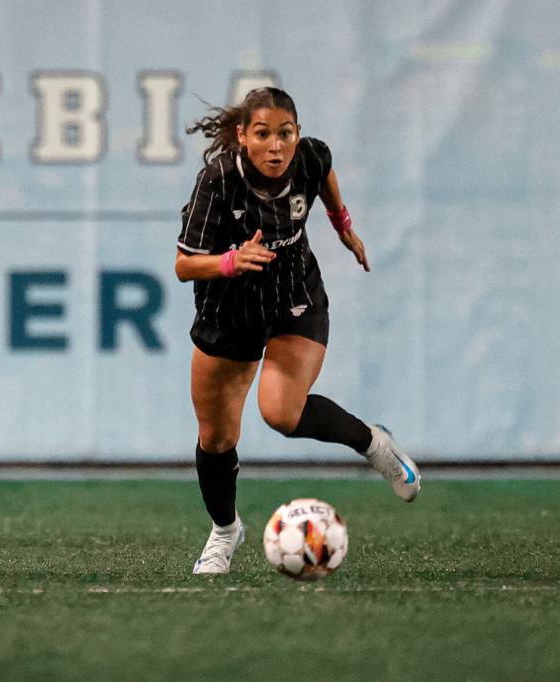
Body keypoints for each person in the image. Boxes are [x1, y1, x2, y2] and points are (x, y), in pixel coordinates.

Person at [175, 87, 420, 576]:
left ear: (297, 134)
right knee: (216, 438)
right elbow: (184, 266)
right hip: (229, 310)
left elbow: (324, 171)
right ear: (243, 136)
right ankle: (225, 531)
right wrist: (230, 261)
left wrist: (342, 223)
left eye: (285, 133)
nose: (275, 146)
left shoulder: (309, 157)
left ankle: (372, 443)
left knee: (281, 414)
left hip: (293, 296)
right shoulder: (220, 179)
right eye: (263, 134)